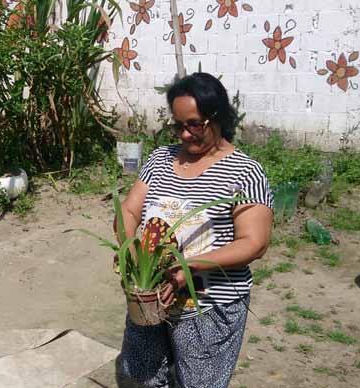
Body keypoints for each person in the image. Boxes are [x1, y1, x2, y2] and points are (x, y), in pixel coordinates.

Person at [116, 73, 273, 388]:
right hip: (150, 296)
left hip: (207, 306)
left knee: (198, 383)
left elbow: (254, 243)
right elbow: (129, 210)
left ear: (218, 117)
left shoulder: (245, 172)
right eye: (178, 125)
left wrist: (186, 268)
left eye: (195, 124)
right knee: (140, 375)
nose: (185, 135)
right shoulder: (160, 159)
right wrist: (131, 251)